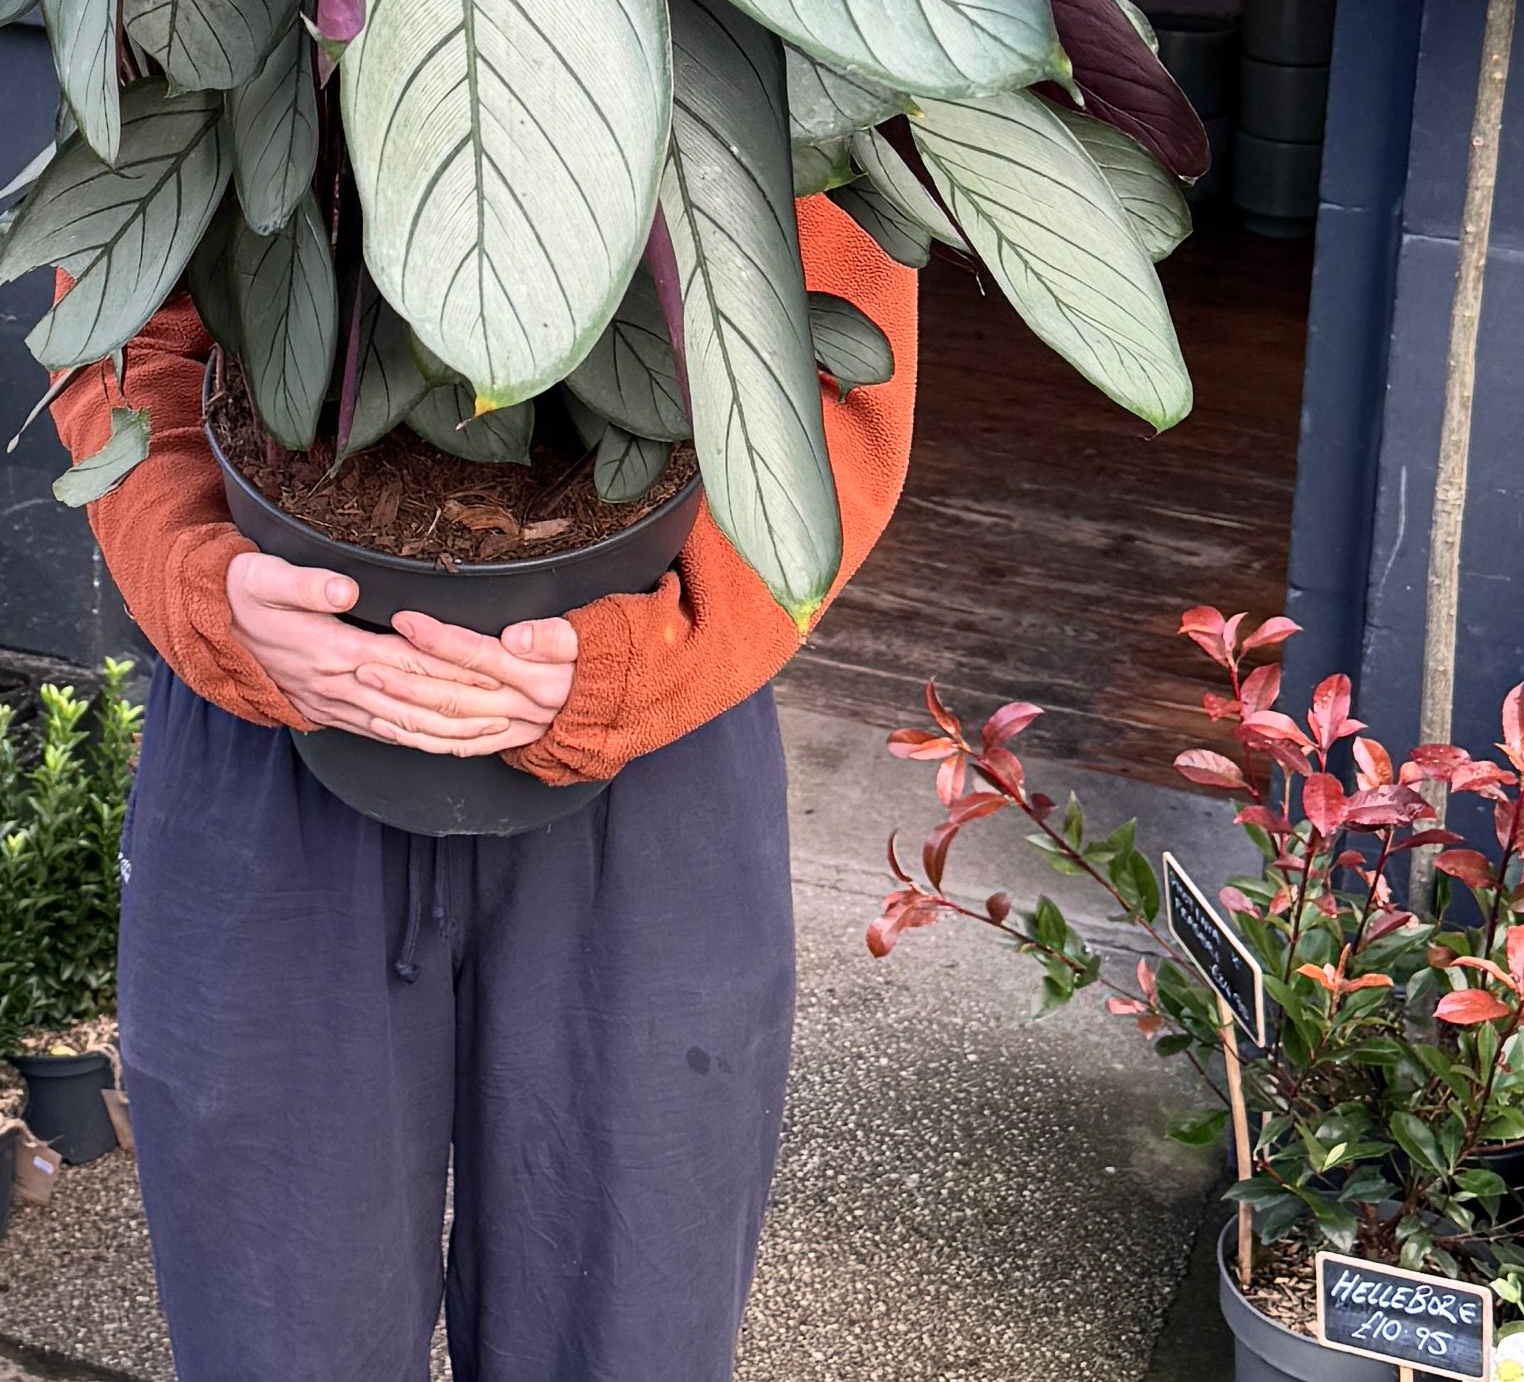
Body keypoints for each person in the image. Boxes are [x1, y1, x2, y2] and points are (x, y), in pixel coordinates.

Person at [53, 201, 919, 1382]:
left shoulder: (779, 18)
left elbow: (829, 368)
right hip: (279, 751)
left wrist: (659, 651)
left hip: (643, 776)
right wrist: (203, 581)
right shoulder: (177, 6)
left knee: (628, 1321)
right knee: (277, 1327)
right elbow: (120, 327)